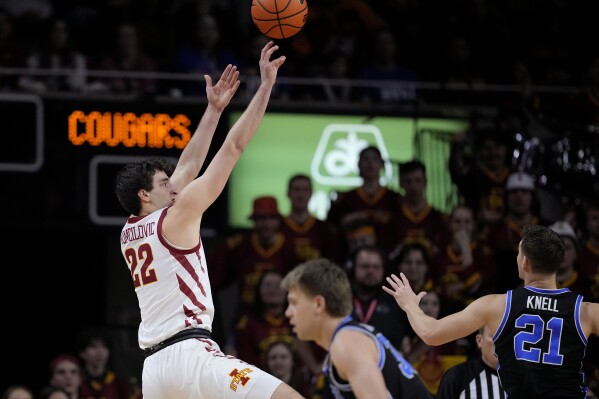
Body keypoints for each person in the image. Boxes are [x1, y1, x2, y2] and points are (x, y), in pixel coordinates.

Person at [114, 41, 303, 399]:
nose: (174, 185)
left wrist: (214, 110)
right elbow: (233, 149)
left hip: (154, 370)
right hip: (191, 355)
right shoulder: (177, 215)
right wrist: (264, 87)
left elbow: (186, 167)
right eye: (164, 183)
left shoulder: (129, 232)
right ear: (144, 194)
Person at [384, 224, 599, 398]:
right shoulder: (585, 311)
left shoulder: (497, 305)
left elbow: (430, 333)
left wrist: (410, 305)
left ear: (524, 262)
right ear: (558, 262)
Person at [281, 258, 433, 398]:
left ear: (319, 304)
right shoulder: (349, 338)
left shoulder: (348, 343)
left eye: (294, 302)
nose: (288, 313)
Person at [436, 326, 507, 399]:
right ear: (479, 340)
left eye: (507, 335)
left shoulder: (518, 376)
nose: (502, 341)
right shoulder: (457, 376)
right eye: (494, 335)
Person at [76, 327, 133, 399]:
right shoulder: (76, 382)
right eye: (93, 346)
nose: (99, 351)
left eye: (104, 346)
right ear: (82, 353)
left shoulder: (119, 383)